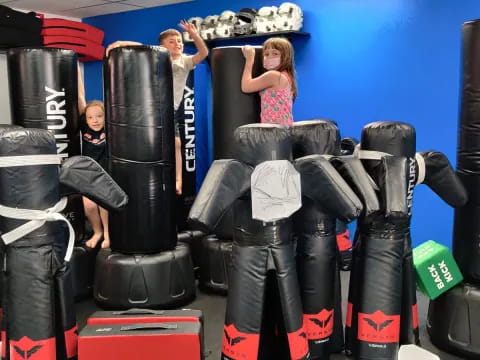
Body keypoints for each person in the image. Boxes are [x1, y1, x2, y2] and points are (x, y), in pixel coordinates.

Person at [105, 21, 209, 195]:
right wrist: (120, 43)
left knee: (176, 143)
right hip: (153, 108)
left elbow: (204, 53)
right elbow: (141, 46)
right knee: (152, 144)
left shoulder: (186, 61)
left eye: (180, 41)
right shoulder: (157, 56)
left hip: (171, 109)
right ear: (162, 46)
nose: (178, 44)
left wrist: (194, 34)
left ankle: (178, 180)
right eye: (172, 41)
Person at [241, 37, 297, 127]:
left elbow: (246, 86)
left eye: (275, 53)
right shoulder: (286, 75)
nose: (270, 57)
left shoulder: (274, 76)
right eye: (266, 54)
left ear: (285, 56)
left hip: (274, 131)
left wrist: (249, 59)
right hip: (283, 129)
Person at [81, 100, 110, 249]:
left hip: (104, 175)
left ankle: (107, 233)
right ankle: (97, 232)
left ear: (106, 117)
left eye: (99, 116)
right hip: (89, 175)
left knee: (103, 203)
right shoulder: (85, 129)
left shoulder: (110, 129)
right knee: (89, 205)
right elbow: (80, 100)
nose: (95, 120)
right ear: (85, 120)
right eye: (91, 117)